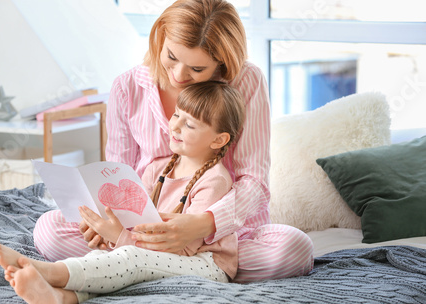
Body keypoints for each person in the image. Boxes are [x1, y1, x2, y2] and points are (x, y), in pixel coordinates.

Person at [33, 0, 314, 283]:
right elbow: (115, 175)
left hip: (220, 239)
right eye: (172, 56)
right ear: (160, 36)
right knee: (48, 230)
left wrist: (205, 223)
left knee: (294, 249)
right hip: (136, 230)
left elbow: (254, 181)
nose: (179, 75)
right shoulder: (127, 87)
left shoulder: (246, 81)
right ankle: (155, 265)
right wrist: (103, 221)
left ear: (222, 63)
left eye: (197, 68)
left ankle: (130, 266)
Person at [0, 81, 245, 304]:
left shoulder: (215, 180)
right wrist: (103, 229)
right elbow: (135, 219)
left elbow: (183, 248)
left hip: (203, 264)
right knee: (104, 254)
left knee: (130, 259)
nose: (175, 125)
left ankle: (49, 272)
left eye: (190, 124)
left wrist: (119, 237)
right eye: (177, 114)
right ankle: (63, 298)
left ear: (218, 139)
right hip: (147, 251)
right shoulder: (158, 168)